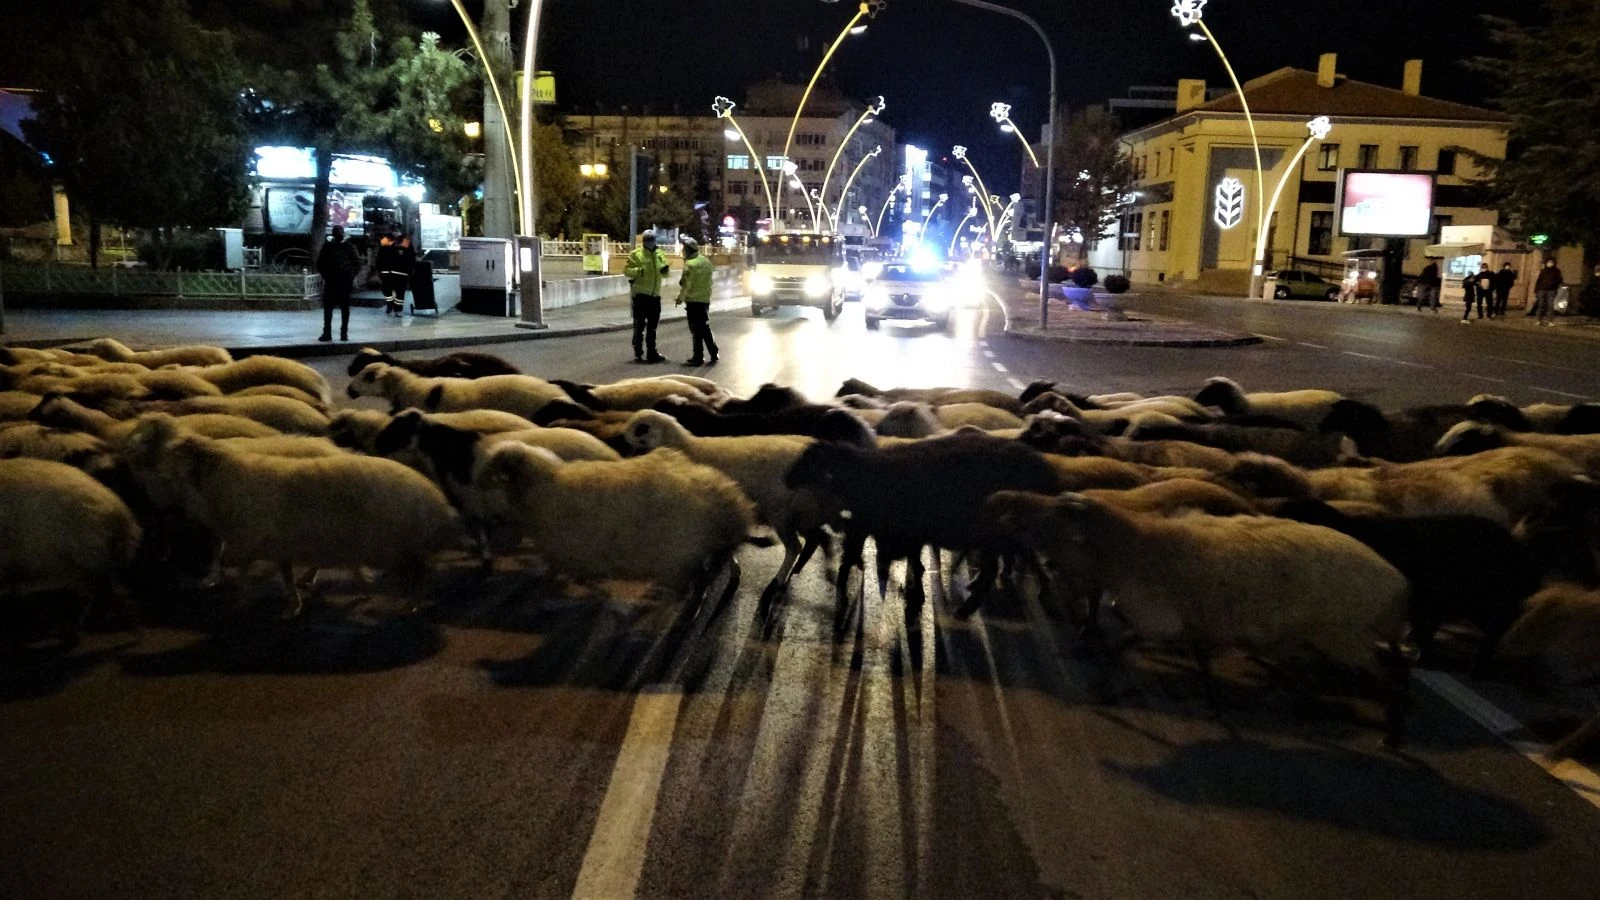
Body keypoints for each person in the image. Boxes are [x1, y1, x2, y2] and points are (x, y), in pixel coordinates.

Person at [625, 231, 670, 363]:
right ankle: (638, 352)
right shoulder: (636, 254)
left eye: (651, 239)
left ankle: (652, 352)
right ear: (643, 240)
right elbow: (627, 270)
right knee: (639, 326)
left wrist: (665, 271)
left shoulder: (660, 254)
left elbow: (664, 274)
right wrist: (639, 271)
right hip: (640, 296)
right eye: (647, 239)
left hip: (655, 296)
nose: (649, 241)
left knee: (652, 327)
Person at [676, 237, 718, 366]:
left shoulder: (690, 264)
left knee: (696, 329)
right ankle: (713, 351)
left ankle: (698, 356)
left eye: (684, 248)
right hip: (704, 300)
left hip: (693, 301)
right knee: (704, 327)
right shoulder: (706, 261)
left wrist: (680, 298)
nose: (683, 251)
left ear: (688, 250)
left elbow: (687, 285)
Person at [316, 225, 361, 342]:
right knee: (329, 309)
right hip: (332, 281)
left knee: (344, 308)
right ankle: (328, 333)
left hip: (344, 282)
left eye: (340, 232)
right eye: (337, 232)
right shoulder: (328, 246)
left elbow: (357, 264)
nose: (339, 234)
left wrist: (350, 275)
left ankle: (343, 333)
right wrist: (326, 276)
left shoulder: (348, 246)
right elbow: (320, 263)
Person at [376, 229, 416, 316]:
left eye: (397, 230)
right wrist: (378, 268)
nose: (396, 232)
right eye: (394, 230)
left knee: (399, 292)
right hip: (388, 272)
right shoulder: (386, 241)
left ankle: (397, 309)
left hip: (400, 272)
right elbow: (380, 255)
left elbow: (411, 256)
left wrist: (410, 269)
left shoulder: (404, 241)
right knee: (388, 291)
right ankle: (390, 305)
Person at [1531, 257, 1563, 327]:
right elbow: (1539, 281)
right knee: (1541, 305)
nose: (1550, 264)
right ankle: (1539, 320)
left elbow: (1560, 280)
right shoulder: (1543, 271)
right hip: (1542, 290)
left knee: (1550, 305)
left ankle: (1550, 321)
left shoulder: (1557, 271)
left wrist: (1555, 286)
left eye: (1551, 262)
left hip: (1551, 290)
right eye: (1549, 262)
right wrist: (1536, 290)